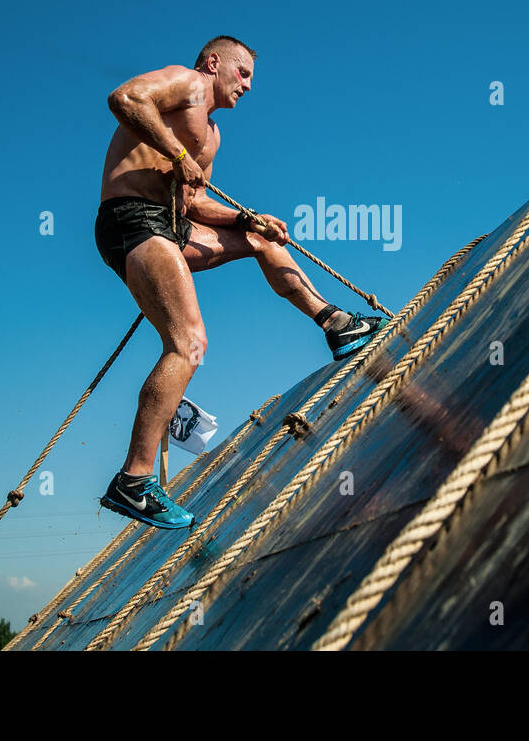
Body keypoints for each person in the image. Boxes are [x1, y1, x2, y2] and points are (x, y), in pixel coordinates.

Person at [93, 35, 383, 529]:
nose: (248, 86)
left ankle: (336, 324)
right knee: (188, 344)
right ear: (213, 63)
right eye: (243, 73)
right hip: (132, 221)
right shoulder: (183, 85)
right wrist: (178, 155)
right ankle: (134, 480)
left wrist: (248, 217)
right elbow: (124, 99)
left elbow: (192, 203)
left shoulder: (212, 134)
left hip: (171, 224)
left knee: (261, 240)